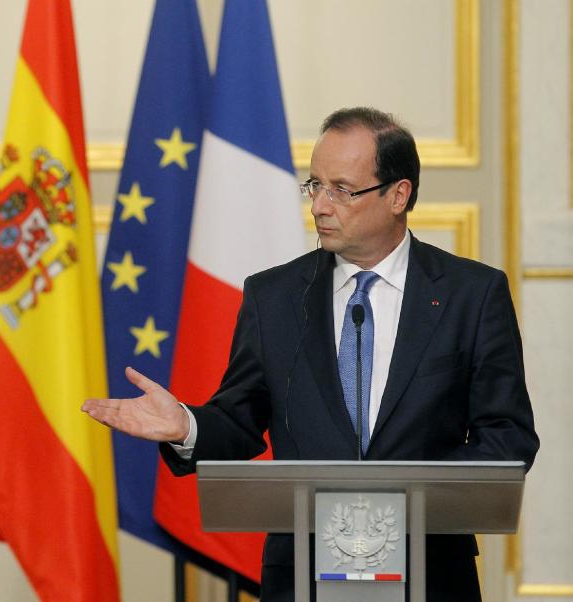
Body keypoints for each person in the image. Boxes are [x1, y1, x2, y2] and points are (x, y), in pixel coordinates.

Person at [83, 107, 538, 601]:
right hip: (302, 577)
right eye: (314, 185)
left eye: (341, 189)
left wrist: (412, 501)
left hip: (430, 574)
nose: (320, 205)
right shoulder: (273, 296)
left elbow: (507, 436)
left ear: (398, 195)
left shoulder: (471, 293)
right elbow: (239, 420)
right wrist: (186, 427)